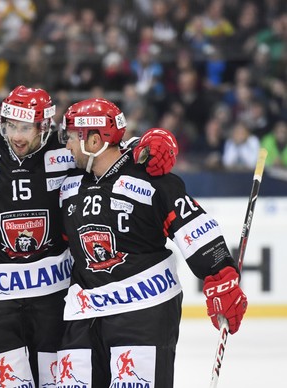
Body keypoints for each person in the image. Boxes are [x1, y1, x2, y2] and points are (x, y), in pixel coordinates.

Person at [0, 85, 178, 386]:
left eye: (26, 127)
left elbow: (107, 153)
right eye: (11, 126)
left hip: (54, 304)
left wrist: (147, 144)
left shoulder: (66, 154)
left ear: (45, 126)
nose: (17, 136)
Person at [56, 97, 247, 387]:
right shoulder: (69, 184)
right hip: (84, 313)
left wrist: (221, 275)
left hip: (143, 310)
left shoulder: (149, 179)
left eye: (71, 137)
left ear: (93, 141)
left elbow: (194, 227)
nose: (66, 145)